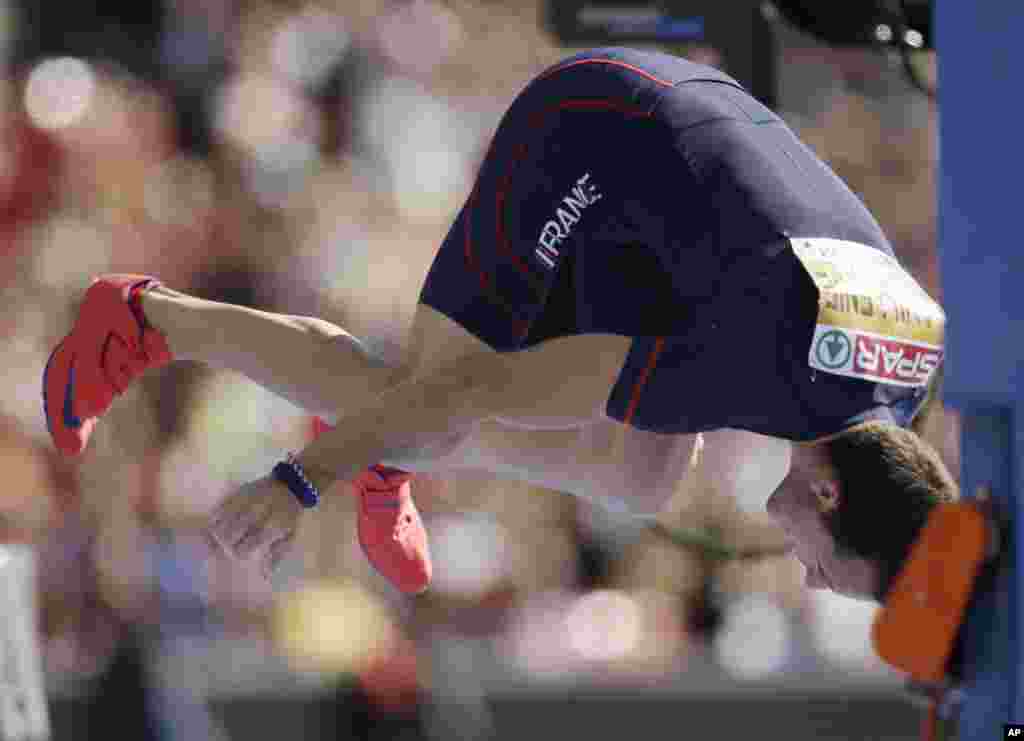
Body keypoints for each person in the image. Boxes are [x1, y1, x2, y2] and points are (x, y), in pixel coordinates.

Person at [42, 47, 957, 602]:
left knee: (639, 473)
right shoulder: (756, 367)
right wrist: (301, 480)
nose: (805, 577)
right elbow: (470, 388)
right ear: (832, 498)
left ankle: (395, 446)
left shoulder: (905, 377)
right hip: (594, 131)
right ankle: (145, 316)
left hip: (680, 200)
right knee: (423, 400)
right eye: (827, 571)